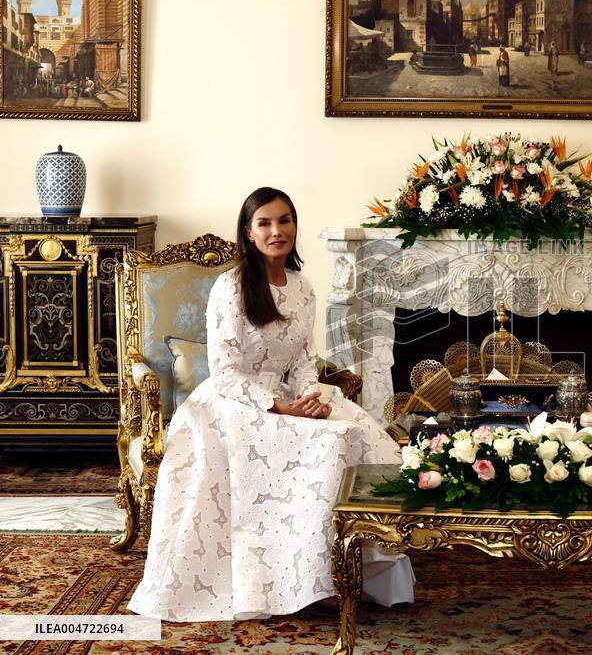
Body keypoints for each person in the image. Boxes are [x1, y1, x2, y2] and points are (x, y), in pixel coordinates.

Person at [128, 187, 414, 622]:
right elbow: (224, 372)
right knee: (319, 445)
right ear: (248, 233)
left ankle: (345, 568)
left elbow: (303, 360)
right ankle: (287, 580)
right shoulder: (231, 287)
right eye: (264, 222)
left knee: (358, 432)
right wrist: (281, 408)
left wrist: (310, 399)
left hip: (290, 397)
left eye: (284, 220)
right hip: (232, 401)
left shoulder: (302, 287)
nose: (276, 230)